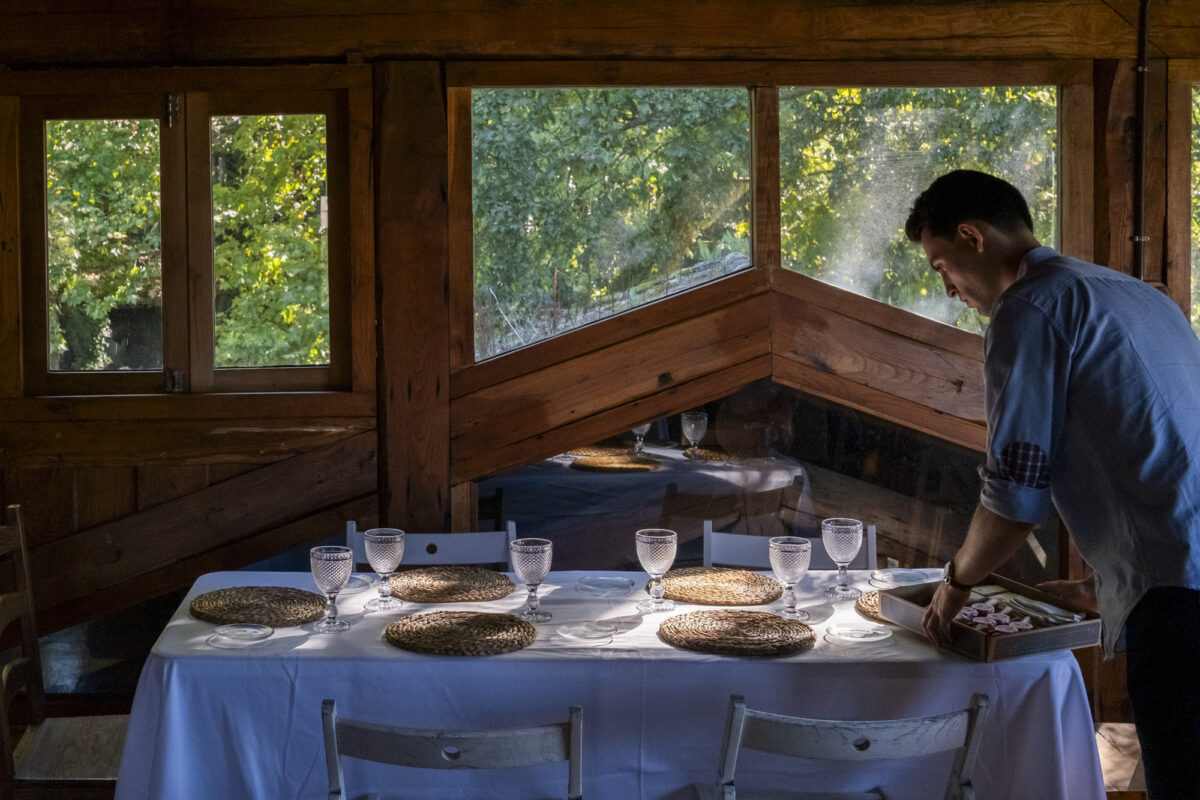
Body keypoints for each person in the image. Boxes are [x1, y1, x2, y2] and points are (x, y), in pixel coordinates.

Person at [904, 169, 1200, 799]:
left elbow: (1014, 495)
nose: (949, 289)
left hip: (1179, 603)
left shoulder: (1028, 308)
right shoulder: (1133, 293)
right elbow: (1162, 447)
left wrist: (955, 586)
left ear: (972, 236)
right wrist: (1106, 585)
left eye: (941, 266)